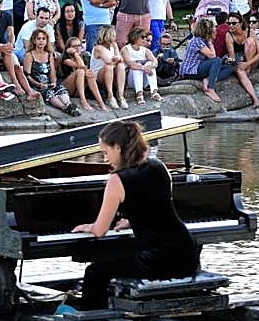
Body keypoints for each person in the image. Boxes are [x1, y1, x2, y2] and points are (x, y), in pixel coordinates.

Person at [72, 120, 200, 310]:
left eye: (105, 152)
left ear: (118, 148)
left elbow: (100, 231)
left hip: (160, 260)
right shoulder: (159, 166)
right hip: (188, 254)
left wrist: (88, 226)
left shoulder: (117, 180)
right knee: (122, 258)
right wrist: (133, 220)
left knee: (94, 272)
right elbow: (157, 206)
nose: (104, 158)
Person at [25, 28, 80, 115]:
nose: (41, 41)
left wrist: (54, 82)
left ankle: (69, 104)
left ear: (47, 41)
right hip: (37, 84)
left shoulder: (49, 54)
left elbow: (52, 72)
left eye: (43, 39)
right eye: (38, 39)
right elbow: (27, 75)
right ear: (34, 41)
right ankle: (64, 108)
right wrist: (38, 84)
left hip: (49, 82)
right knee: (49, 93)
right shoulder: (29, 55)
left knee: (60, 88)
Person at [179, 19, 233, 102]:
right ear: (207, 32)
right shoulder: (197, 41)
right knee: (217, 60)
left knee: (229, 67)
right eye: (214, 30)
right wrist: (210, 43)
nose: (216, 32)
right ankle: (210, 89)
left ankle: (207, 79)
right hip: (190, 71)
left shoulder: (203, 41)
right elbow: (212, 56)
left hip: (198, 67)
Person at [223, 15, 259, 108]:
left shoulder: (250, 32)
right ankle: (255, 99)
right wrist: (231, 61)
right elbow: (232, 56)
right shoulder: (229, 35)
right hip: (239, 58)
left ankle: (247, 70)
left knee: (249, 42)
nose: (231, 25)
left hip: (251, 60)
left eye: (233, 23)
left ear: (240, 23)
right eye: (229, 23)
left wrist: (247, 64)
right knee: (239, 70)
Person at [91, 25, 128, 109]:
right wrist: (117, 58)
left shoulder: (114, 45)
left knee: (121, 66)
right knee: (108, 66)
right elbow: (108, 61)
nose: (115, 36)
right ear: (107, 35)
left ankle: (121, 96)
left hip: (111, 72)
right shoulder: (98, 48)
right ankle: (110, 96)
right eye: (113, 35)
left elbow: (120, 59)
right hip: (99, 75)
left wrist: (118, 58)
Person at [61, 37, 103, 111]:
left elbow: (85, 69)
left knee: (89, 74)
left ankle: (101, 102)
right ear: (68, 48)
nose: (77, 48)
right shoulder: (66, 59)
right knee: (81, 71)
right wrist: (75, 54)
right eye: (74, 46)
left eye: (79, 45)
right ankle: (83, 101)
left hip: (79, 89)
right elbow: (81, 66)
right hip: (66, 89)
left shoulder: (84, 57)